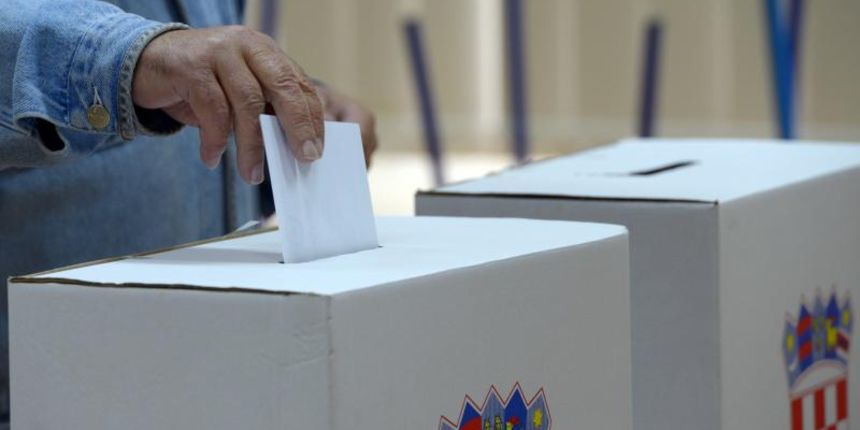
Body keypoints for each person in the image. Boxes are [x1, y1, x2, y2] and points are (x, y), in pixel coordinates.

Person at [0, 0, 378, 424]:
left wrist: (283, 112)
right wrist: (131, 56)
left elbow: (199, 52)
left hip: (203, 371)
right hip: (43, 394)